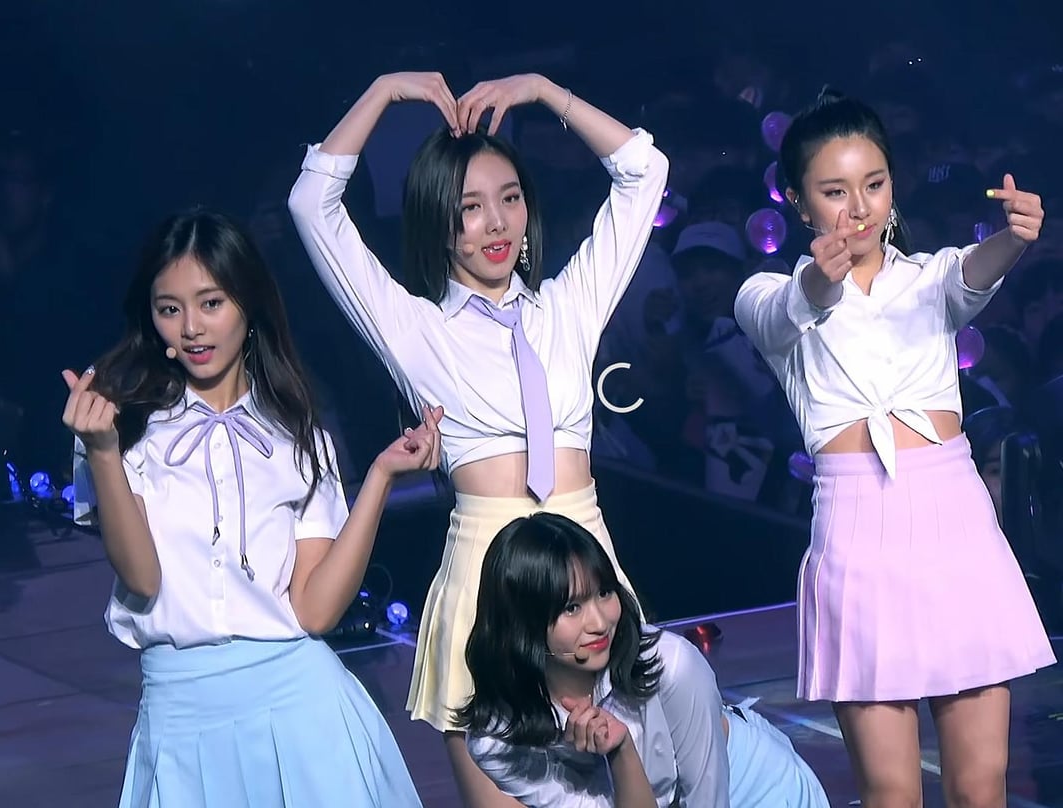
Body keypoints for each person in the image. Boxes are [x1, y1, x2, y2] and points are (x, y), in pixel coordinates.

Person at [288, 71, 669, 805]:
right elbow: (312, 204)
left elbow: (644, 171)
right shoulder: (417, 329)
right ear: (438, 222)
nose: (496, 224)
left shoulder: (568, 306)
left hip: (587, 565)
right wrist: (383, 92)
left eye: (510, 199)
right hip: (486, 580)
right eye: (469, 208)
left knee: (634, 787)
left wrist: (545, 92)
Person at [734, 89, 1056, 807]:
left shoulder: (927, 277)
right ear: (797, 201)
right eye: (835, 191)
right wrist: (821, 277)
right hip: (859, 532)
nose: (860, 208)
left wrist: (1015, 237)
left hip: (956, 520)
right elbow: (795, 307)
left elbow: (972, 272)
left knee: (982, 786)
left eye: (874, 184)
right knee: (891, 793)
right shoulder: (764, 293)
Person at [64, 208, 434, 807]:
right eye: (169, 309)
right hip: (181, 718)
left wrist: (380, 478)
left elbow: (315, 611)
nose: (191, 328)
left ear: (248, 304)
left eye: (211, 303)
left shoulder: (299, 435)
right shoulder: (124, 428)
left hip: (303, 711)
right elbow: (142, 579)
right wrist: (102, 452)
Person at [456, 512, 831, 807]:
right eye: (572, 607)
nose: (600, 622)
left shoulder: (672, 664)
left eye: (604, 593)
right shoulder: (496, 740)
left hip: (755, 790)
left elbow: (708, 798)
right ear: (521, 624)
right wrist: (621, 752)